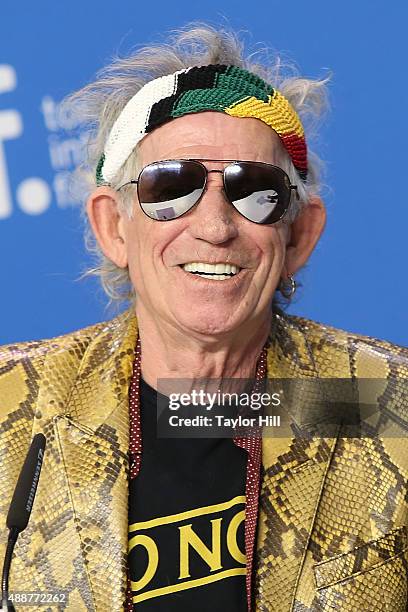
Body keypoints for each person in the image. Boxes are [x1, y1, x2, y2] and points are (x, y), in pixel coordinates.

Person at [0, 25, 407, 612]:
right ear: (113, 227)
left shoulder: (386, 403)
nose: (215, 227)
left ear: (300, 235)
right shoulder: (13, 404)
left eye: (258, 192)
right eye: (172, 186)